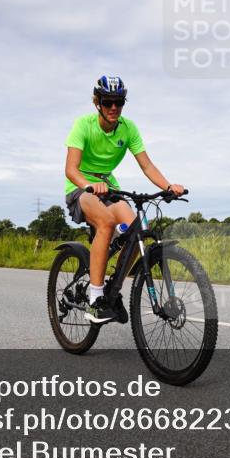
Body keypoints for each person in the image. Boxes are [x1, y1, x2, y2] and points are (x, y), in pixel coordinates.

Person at [64, 76, 185, 323]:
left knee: (138, 230)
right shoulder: (83, 125)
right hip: (81, 188)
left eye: (118, 102)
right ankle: (95, 299)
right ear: (97, 102)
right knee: (106, 222)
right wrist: (89, 185)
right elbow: (71, 169)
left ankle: (112, 292)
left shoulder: (128, 128)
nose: (113, 108)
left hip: (110, 187)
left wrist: (168, 186)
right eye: (108, 102)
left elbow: (147, 165)